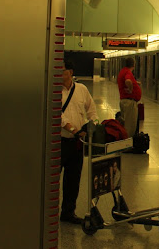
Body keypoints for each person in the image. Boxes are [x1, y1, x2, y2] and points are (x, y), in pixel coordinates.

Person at [60, 60, 97, 224]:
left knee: (73, 179)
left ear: (70, 72)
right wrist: (73, 129)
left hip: (77, 143)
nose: (59, 73)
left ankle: (68, 212)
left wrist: (91, 126)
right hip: (58, 142)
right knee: (52, 180)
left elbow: (92, 110)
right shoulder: (54, 90)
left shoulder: (81, 89)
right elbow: (56, 114)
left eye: (62, 70)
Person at [117, 57, 142, 136]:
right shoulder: (128, 72)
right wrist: (131, 89)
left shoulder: (123, 71)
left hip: (125, 101)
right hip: (130, 102)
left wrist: (135, 83)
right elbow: (128, 81)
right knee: (130, 126)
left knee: (126, 123)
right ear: (134, 64)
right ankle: (127, 141)